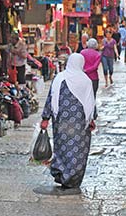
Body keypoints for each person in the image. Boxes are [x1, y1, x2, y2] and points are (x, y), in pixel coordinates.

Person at [40, 53, 95, 193]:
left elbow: (50, 98)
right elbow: (91, 102)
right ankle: (73, 179)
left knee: (62, 148)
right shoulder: (86, 80)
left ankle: (61, 174)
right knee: (78, 151)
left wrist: (45, 118)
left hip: (62, 122)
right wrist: (92, 118)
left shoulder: (59, 78)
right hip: (80, 124)